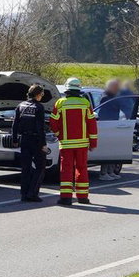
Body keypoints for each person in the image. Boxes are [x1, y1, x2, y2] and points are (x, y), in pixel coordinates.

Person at [51, 77, 98, 205]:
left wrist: (59, 135)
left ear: (67, 89)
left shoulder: (60, 103)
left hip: (66, 144)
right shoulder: (85, 103)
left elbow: (53, 122)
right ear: (79, 89)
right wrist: (93, 142)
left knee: (66, 170)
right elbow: (92, 124)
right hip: (82, 144)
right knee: (82, 169)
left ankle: (66, 198)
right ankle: (83, 197)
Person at [12, 83, 51, 202]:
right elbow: (40, 128)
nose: (42, 97)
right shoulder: (38, 107)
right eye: (42, 94)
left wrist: (14, 139)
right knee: (40, 167)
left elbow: (15, 124)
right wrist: (43, 144)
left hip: (24, 140)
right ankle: (32, 193)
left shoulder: (21, 106)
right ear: (38, 94)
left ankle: (24, 194)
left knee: (25, 168)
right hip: (36, 140)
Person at [96, 79, 137, 178]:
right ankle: (103, 173)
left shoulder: (114, 97)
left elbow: (124, 107)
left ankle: (110, 172)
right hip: (105, 127)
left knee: (112, 151)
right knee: (107, 151)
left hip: (113, 125)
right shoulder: (107, 98)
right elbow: (104, 112)